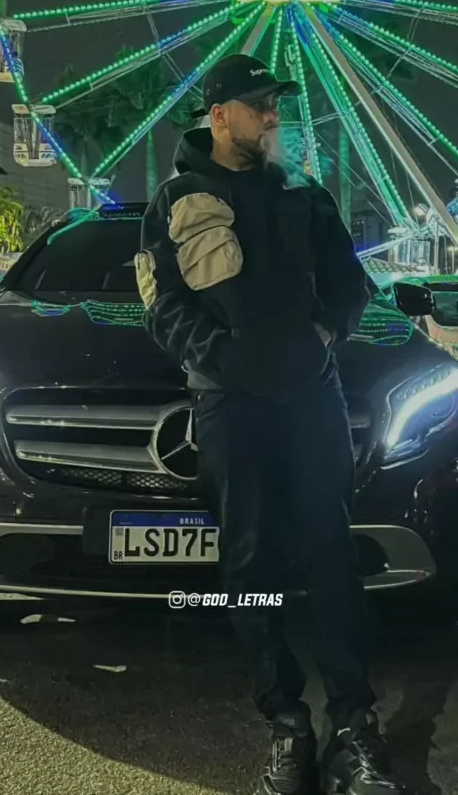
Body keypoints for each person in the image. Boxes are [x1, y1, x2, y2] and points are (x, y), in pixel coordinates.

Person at [135, 54, 404, 795]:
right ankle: (286, 723)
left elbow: (349, 282)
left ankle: (355, 725)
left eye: (274, 104)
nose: (272, 117)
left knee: (330, 555)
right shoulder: (177, 199)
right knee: (247, 567)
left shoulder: (304, 193)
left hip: (311, 398)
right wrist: (222, 357)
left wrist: (324, 333)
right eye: (258, 106)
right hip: (230, 404)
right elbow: (162, 304)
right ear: (220, 116)